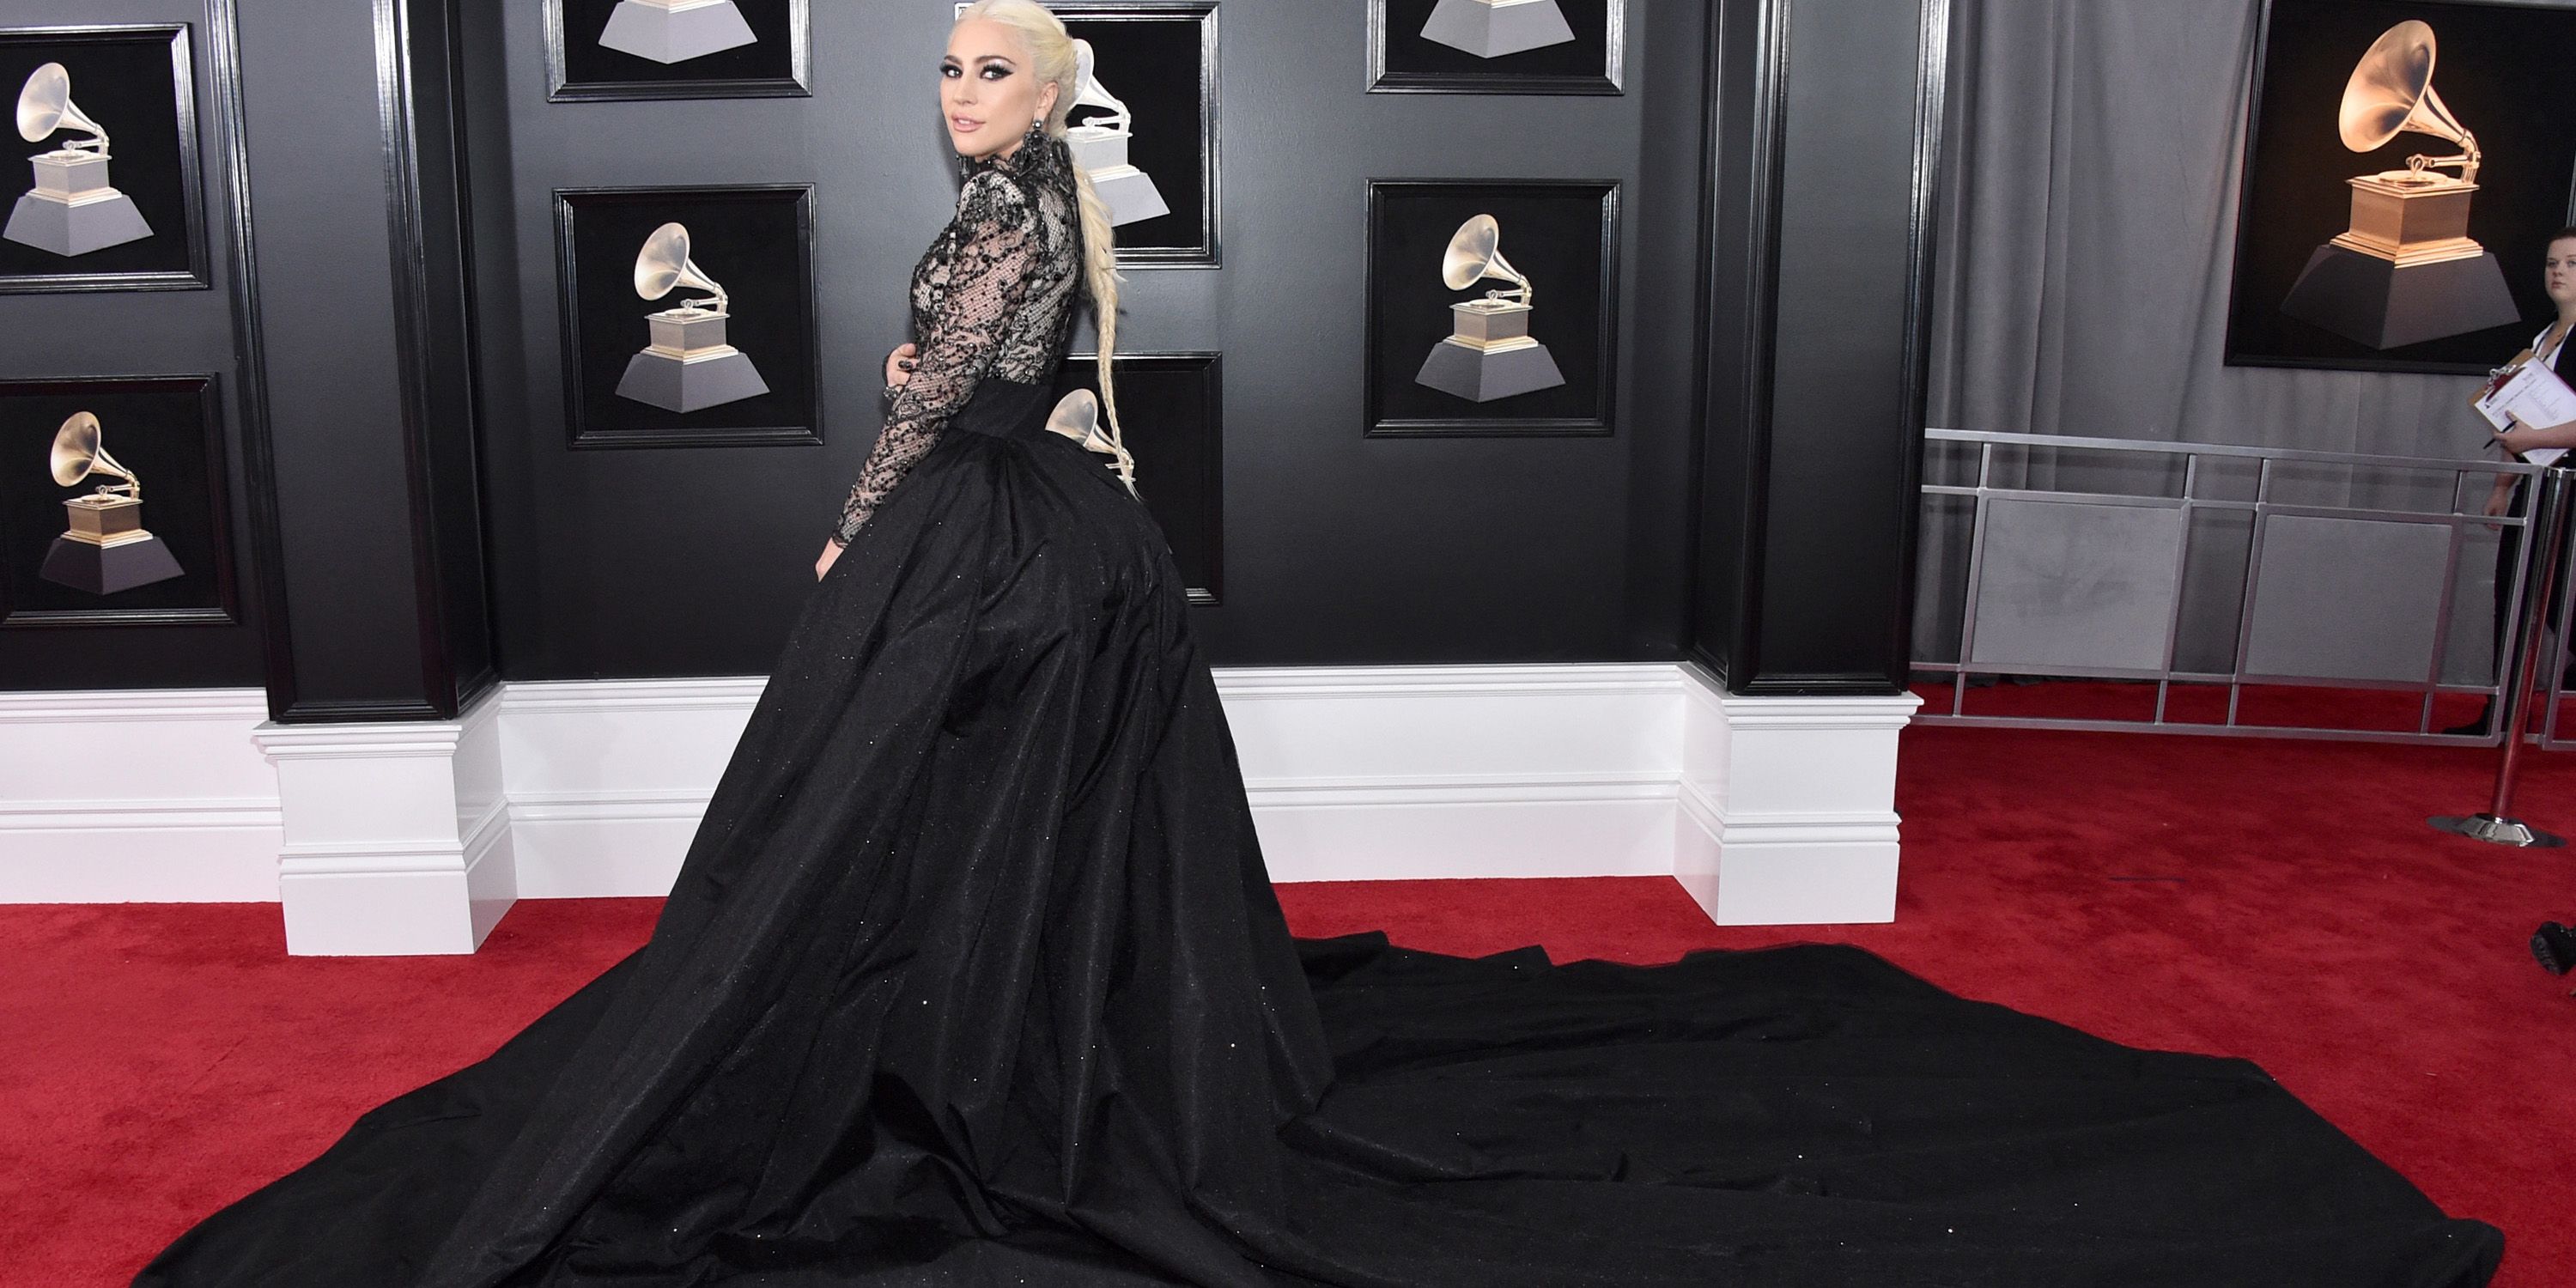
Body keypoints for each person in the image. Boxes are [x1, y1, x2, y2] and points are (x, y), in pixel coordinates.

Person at [133, 6, 2503, 1285]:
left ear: (1051, 85)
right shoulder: (1057, 200)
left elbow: (954, 395)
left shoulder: (1000, 217)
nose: (957, 88)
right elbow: (1055, 387)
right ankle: (1014, 1009)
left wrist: (854, 552)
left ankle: (986, 1037)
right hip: (1067, 559)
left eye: (991, 61)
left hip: (984, 556)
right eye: (947, 60)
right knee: (1005, 829)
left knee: (877, 815)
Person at [2451, 227, 2576, 736]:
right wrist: (2504, 486)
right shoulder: (2542, 338)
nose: (2559, 272)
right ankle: (2500, 715)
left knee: (2563, 602)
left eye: (2572, 263)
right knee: (2514, 594)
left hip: (2572, 486)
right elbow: (2515, 426)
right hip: (2537, 485)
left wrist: (2532, 440)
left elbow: (2539, 432)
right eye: (2553, 263)